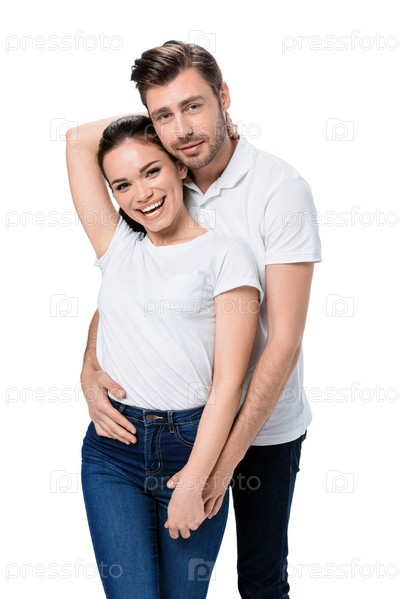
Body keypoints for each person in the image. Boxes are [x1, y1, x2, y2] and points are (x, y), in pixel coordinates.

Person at [80, 41, 322, 599]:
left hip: (264, 425)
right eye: (164, 115)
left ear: (224, 97)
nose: (183, 128)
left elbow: (284, 342)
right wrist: (90, 369)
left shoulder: (279, 190)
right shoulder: (163, 178)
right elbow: (129, 291)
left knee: (260, 581)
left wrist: (213, 468)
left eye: (193, 106)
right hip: (177, 420)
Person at [66, 114, 262, 598]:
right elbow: (76, 140)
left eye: (151, 171)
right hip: (113, 452)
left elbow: (229, 385)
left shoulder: (227, 254)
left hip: (192, 447)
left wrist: (195, 481)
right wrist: (88, 371)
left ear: (179, 166)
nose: (142, 194)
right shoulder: (117, 245)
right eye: (122, 185)